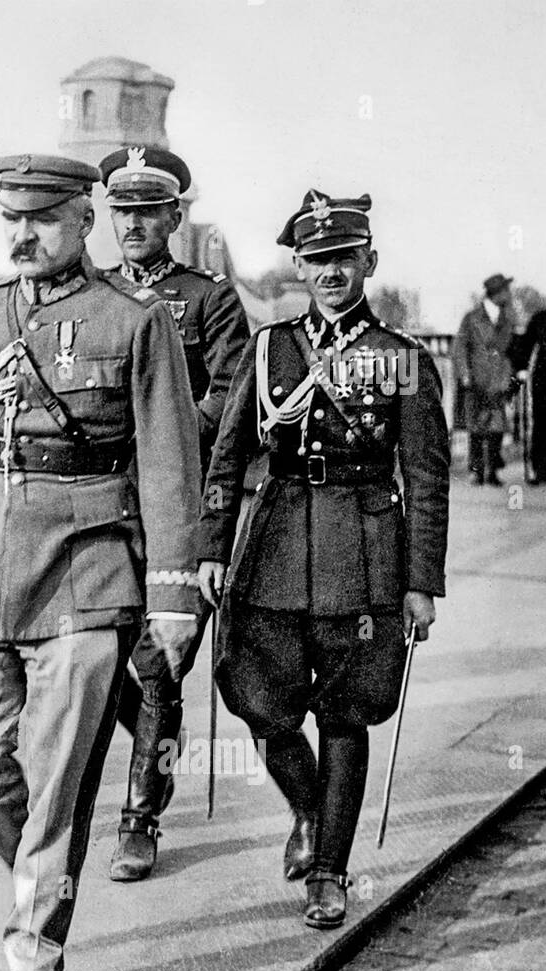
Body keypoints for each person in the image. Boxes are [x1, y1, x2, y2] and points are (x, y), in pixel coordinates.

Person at [0, 153, 201, 971]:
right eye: (11, 221)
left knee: (60, 771)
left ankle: (34, 953)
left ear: (82, 222)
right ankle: (44, 862)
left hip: (85, 564)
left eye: (41, 220)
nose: (22, 236)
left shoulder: (136, 322)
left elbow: (170, 465)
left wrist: (174, 596)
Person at [198, 190, 450, 930]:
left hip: (364, 546)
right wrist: (212, 547)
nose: (331, 272)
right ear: (300, 266)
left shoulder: (400, 360)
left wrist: (421, 583)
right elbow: (228, 453)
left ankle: (331, 871)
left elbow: (427, 475)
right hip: (274, 539)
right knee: (254, 694)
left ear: (367, 262)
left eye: (344, 258)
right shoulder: (271, 346)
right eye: (317, 260)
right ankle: (308, 809)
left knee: (346, 713)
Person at [96, 145, 250, 882]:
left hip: (178, 503)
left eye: (147, 210)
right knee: (97, 654)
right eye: (121, 210)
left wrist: (166, 428)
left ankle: (140, 820)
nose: (132, 223)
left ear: (173, 216)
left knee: (158, 662)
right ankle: (160, 746)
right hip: (98, 504)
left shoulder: (209, 296)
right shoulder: (92, 293)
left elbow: (232, 395)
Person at [453, 274, 516, 485]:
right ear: (496, 293)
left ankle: (493, 471)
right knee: (477, 428)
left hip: (499, 379)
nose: (508, 294)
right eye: (505, 290)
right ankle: (477, 471)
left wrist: (509, 377)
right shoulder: (472, 318)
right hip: (477, 380)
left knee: (497, 427)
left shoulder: (506, 318)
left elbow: (510, 349)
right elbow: (460, 347)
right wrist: (464, 373)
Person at [509, 275, 546, 485]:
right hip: (544, 380)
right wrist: (522, 368)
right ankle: (540, 471)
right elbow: (525, 345)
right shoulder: (540, 318)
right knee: (542, 426)